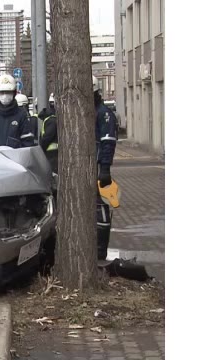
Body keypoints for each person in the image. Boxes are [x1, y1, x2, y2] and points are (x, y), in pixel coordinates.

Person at [93, 76, 119, 260]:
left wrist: (105, 168)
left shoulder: (103, 113)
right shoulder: (83, 112)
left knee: (101, 206)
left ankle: (101, 250)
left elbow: (108, 142)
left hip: (97, 167)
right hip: (86, 167)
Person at [0, 75, 34, 148]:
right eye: (2, 93)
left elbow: (27, 143)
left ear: (14, 93)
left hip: (14, 158)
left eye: (8, 92)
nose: (5, 96)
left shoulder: (21, 115)